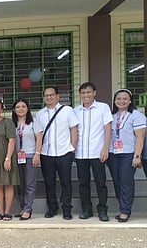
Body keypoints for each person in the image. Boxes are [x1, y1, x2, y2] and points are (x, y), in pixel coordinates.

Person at [33, 86, 79, 220]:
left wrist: (72, 148)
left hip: (65, 152)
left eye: (51, 95)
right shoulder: (40, 114)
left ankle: (66, 209)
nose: (49, 97)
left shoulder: (67, 111)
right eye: (46, 95)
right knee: (49, 182)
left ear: (57, 96)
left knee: (66, 182)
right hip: (47, 153)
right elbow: (39, 135)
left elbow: (73, 129)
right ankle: (52, 208)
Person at [74, 82, 112, 221]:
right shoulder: (75, 111)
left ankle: (102, 210)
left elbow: (108, 128)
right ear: (80, 95)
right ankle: (86, 210)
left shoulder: (103, 108)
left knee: (100, 183)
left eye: (88, 92)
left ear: (94, 93)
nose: (86, 95)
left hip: (98, 152)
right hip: (81, 153)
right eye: (83, 93)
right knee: (83, 183)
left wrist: (105, 148)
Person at [107, 89, 145, 222]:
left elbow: (140, 137)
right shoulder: (111, 115)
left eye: (124, 98)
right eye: (118, 99)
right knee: (117, 182)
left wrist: (137, 155)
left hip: (128, 154)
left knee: (126, 182)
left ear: (130, 100)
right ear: (114, 101)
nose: (121, 101)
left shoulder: (136, 115)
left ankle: (125, 210)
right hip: (113, 154)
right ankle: (122, 207)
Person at [0, 99, 19, 221]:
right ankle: (0, 211)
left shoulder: (8, 122)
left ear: (1, 110)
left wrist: (8, 158)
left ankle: (7, 211)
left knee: (8, 183)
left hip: (6, 157)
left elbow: (12, 140)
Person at [12, 99, 36, 220]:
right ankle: (22, 207)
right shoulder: (12, 124)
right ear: (14, 110)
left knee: (29, 184)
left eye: (23, 106)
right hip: (16, 157)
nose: (20, 109)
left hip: (30, 155)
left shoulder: (33, 122)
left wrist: (37, 154)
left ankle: (28, 209)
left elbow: (39, 138)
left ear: (27, 108)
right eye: (18, 107)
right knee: (20, 184)